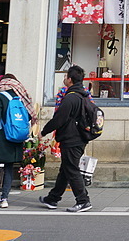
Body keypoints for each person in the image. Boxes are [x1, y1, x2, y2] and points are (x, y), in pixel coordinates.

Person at [39, 65, 92, 213]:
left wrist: (44, 132)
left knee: (71, 169)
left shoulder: (71, 97)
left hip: (71, 138)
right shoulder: (83, 95)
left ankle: (83, 200)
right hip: (79, 137)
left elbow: (59, 119)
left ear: (69, 79)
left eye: (65, 77)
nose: (64, 79)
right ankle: (53, 198)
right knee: (66, 169)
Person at [0, 74, 38, 208]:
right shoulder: (21, 96)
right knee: (9, 167)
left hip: (0, 135)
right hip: (16, 136)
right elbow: (29, 116)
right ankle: (4, 199)